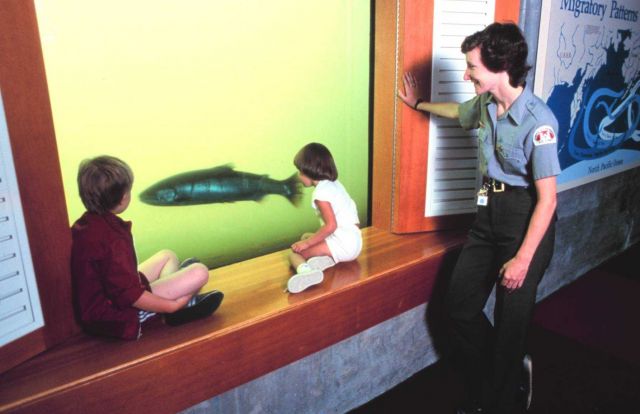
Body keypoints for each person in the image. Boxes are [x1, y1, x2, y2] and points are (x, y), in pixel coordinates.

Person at [398, 23, 560, 413]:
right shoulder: (486, 105)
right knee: (457, 308)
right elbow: (458, 111)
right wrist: (418, 105)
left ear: (500, 65)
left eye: (471, 66)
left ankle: (499, 400)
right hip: (487, 215)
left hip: (525, 219)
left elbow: (548, 201)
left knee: (509, 325)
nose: (466, 73)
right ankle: (506, 369)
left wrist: (523, 258)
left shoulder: (539, 122)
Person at [70, 155, 224, 340]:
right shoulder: (113, 239)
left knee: (168, 256)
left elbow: (115, 278)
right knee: (200, 272)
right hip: (118, 313)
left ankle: (176, 286)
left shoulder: (86, 224)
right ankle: (178, 309)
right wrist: (172, 306)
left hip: (105, 298)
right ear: (123, 198)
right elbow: (129, 295)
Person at [286, 143, 362, 293]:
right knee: (306, 236)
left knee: (294, 254)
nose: (299, 177)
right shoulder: (334, 185)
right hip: (354, 241)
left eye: (300, 172)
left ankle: (307, 273)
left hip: (343, 246)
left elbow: (330, 226)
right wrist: (308, 240)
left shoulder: (321, 195)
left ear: (310, 171)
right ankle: (327, 259)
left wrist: (307, 244)